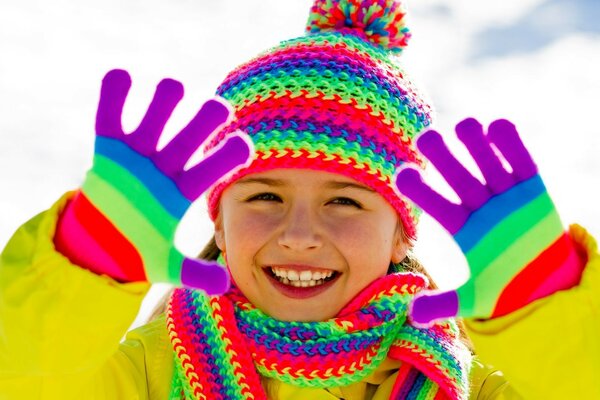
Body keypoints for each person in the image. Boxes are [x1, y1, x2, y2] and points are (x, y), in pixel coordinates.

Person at [1, 0, 598, 399]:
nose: (299, 234)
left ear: (401, 230)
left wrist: (546, 311)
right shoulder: (152, 371)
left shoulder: (465, 380)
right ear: (220, 216)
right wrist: (82, 267)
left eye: (345, 201)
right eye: (264, 194)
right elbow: (25, 376)